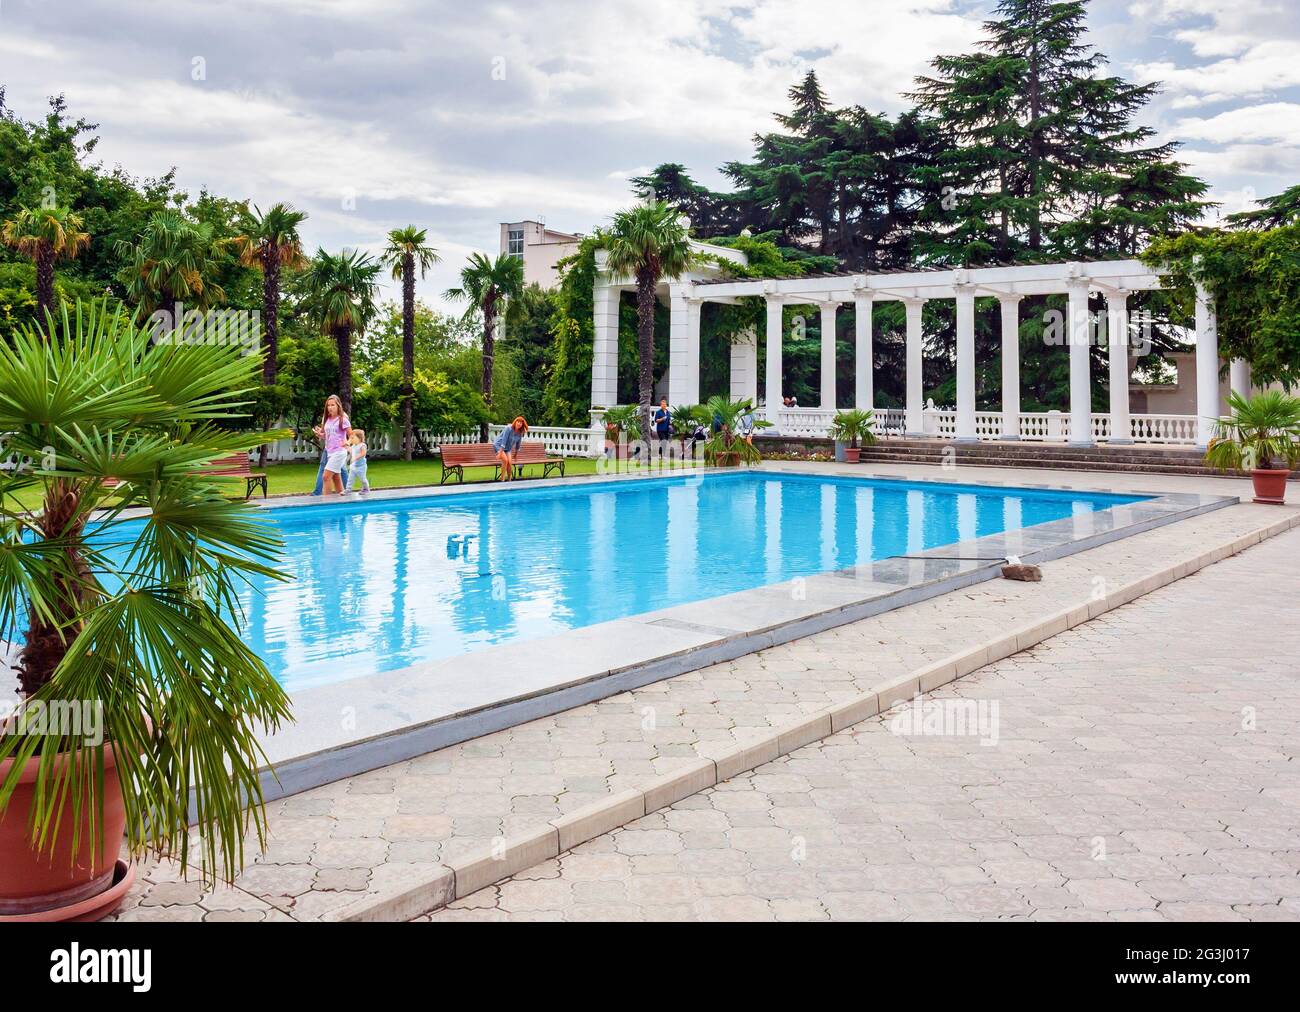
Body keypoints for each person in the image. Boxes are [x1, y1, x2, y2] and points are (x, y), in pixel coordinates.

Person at [311, 394, 349, 495]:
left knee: (326, 476)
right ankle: (344, 499)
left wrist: (347, 443)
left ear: (338, 406)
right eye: (328, 405)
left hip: (339, 452)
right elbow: (328, 436)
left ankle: (326, 502)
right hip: (329, 451)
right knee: (336, 477)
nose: (330, 407)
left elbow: (352, 435)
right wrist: (320, 434)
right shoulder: (327, 419)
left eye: (333, 405)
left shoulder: (343, 419)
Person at [493, 416, 528, 481]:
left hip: (508, 448)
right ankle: (502, 479)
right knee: (505, 460)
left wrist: (515, 454)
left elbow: (518, 445)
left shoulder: (519, 433)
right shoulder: (508, 428)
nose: (519, 424)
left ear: (522, 425)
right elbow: (504, 441)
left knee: (509, 462)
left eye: (521, 423)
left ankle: (509, 480)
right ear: (515, 422)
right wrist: (500, 453)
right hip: (499, 445)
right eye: (518, 422)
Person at [345, 428, 370, 493]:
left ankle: (366, 489)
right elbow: (351, 451)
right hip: (353, 466)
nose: (351, 439)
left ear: (359, 438)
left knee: (363, 479)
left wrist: (355, 458)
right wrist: (346, 447)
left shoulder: (362, 445)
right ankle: (348, 490)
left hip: (361, 467)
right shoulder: (354, 446)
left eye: (353, 438)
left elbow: (363, 453)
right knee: (350, 479)